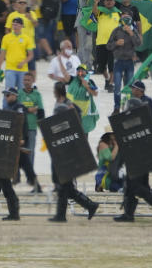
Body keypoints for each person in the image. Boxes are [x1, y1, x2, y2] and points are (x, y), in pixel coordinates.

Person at [48, 87, 100, 222]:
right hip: (64, 162)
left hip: (68, 163)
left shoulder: (70, 129)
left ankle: (62, 215)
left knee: (64, 188)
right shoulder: (64, 128)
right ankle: (90, 205)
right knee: (68, 189)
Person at [3, 87, 42, 193]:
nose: (6, 97)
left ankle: (35, 185)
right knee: (19, 163)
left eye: (8, 95)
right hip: (12, 140)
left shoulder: (18, 107)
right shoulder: (9, 107)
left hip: (19, 140)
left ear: (15, 96)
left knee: (24, 164)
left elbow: (22, 124)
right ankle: (30, 184)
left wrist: (22, 138)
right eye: (5, 95)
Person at [108, 12, 142, 112]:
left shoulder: (133, 30)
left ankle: (129, 106)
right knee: (117, 86)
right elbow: (108, 45)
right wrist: (116, 43)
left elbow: (139, 43)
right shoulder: (116, 31)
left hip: (130, 62)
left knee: (130, 87)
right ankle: (117, 107)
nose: (126, 25)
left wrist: (131, 34)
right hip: (118, 62)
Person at [0, 17, 35, 97]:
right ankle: (6, 108)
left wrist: (23, 62)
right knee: (9, 91)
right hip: (10, 68)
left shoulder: (27, 38)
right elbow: (2, 54)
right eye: (13, 25)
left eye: (17, 25)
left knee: (22, 92)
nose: (14, 26)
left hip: (23, 69)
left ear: (21, 26)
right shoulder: (6, 38)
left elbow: (31, 55)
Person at [18, 71, 44, 170]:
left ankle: (30, 172)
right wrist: (29, 109)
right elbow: (17, 107)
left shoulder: (37, 94)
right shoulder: (19, 93)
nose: (26, 82)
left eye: (28, 80)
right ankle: (17, 173)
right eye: (25, 80)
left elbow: (41, 110)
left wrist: (43, 126)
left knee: (30, 150)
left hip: (32, 127)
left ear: (33, 81)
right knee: (18, 150)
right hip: (20, 127)